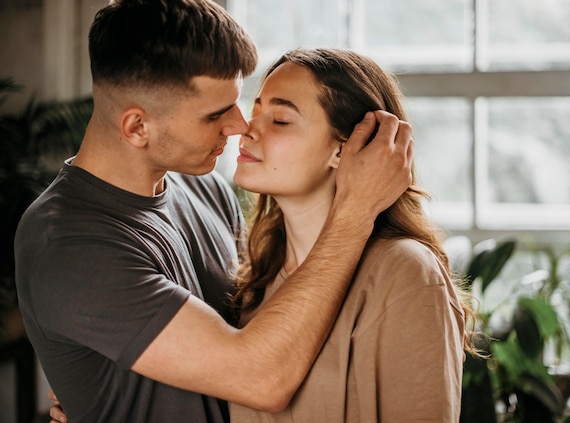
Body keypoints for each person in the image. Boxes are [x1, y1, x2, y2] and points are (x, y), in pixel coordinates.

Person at [15, 1, 412, 422]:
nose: (240, 126)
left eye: (237, 102)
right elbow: (261, 376)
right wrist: (356, 208)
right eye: (216, 114)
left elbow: (273, 327)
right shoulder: (69, 246)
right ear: (137, 127)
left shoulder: (202, 185)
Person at [226, 48, 477, 422]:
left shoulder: (404, 273)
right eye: (256, 108)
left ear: (346, 150)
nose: (248, 128)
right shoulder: (256, 279)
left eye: (279, 119)